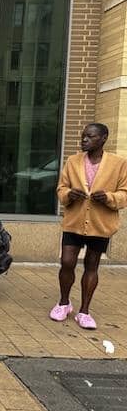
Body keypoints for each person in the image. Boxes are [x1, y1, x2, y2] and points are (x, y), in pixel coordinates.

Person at [51, 123, 127, 329]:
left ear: (103, 139)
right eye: (83, 136)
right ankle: (64, 303)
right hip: (74, 222)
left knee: (91, 265)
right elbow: (61, 188)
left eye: (90, 136)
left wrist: (109, 197)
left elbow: (124, 193)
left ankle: (84, 311)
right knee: (67, 262)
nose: (84, 139)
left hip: (100, 225)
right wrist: (69, 195)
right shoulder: (73, 161)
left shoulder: (119, 163)